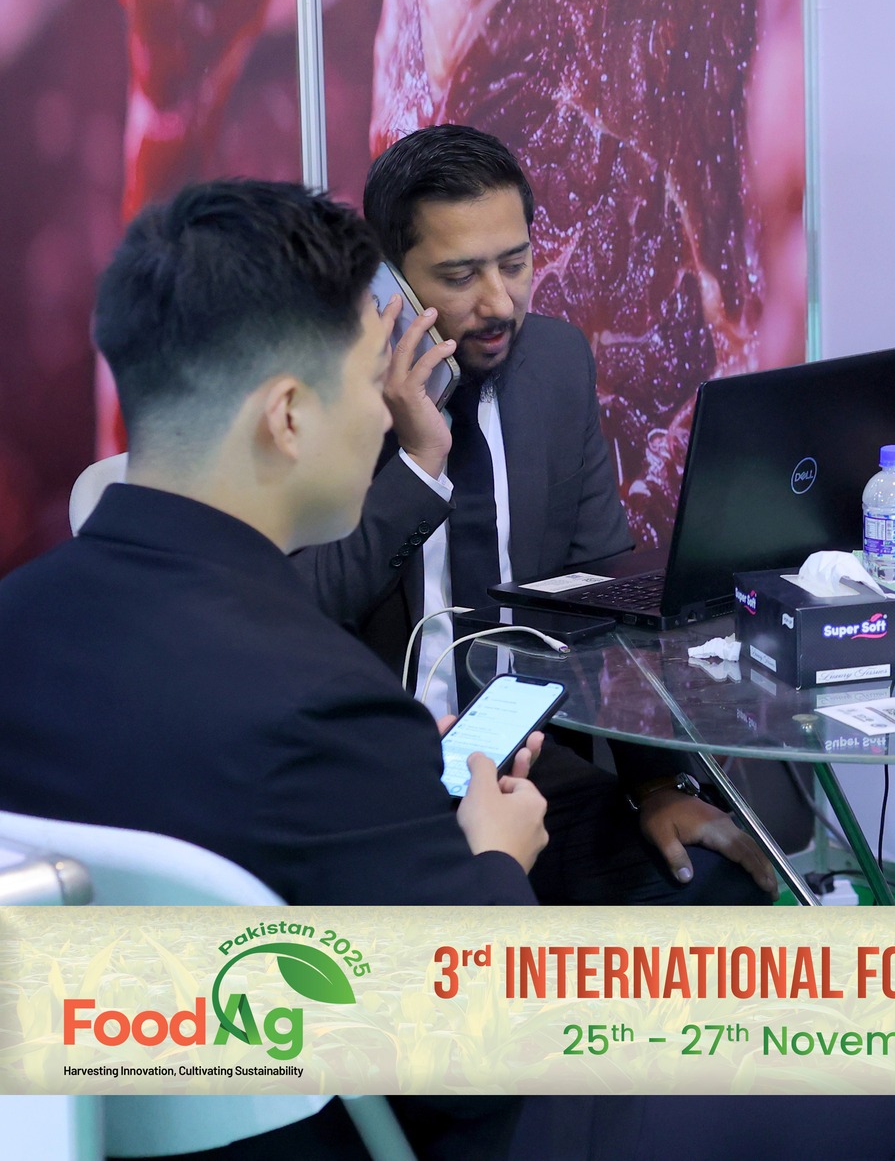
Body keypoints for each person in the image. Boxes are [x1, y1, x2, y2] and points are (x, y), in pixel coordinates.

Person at [0, 179, 895, 1161]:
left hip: (97, 1116)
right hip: (407, 1125)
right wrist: (494, 855)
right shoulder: (323, 699)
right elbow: (480, 1055)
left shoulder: (19, 625)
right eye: (369, 383)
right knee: (889, 1093)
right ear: (287, 417)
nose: (387, 415)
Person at [293, 124, 774, 908]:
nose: (499, 302)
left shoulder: (555, 364)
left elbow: (604, 596)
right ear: (390, 283)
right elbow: (298, 610)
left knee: (718, 884)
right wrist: (416, 461)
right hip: (376, 790)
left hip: (528, 764)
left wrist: (655, 783)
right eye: (460, 275)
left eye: (514, 264)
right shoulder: (322, 400)